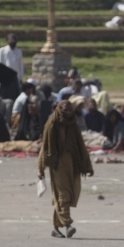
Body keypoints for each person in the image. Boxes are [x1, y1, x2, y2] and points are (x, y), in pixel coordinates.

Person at [38, 100, 94, 239]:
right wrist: (41, 168)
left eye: (70, 109)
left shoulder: (73, 125)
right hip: (57, 166)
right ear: (59, 109)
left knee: (67, 196)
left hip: (73, 165)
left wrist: (87, 166)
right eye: (65, 109)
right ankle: (68, 225)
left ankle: (55, 228)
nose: (68, 112)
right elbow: (45, 148)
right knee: (63, 196)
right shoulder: (52, 125)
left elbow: (81, 147)